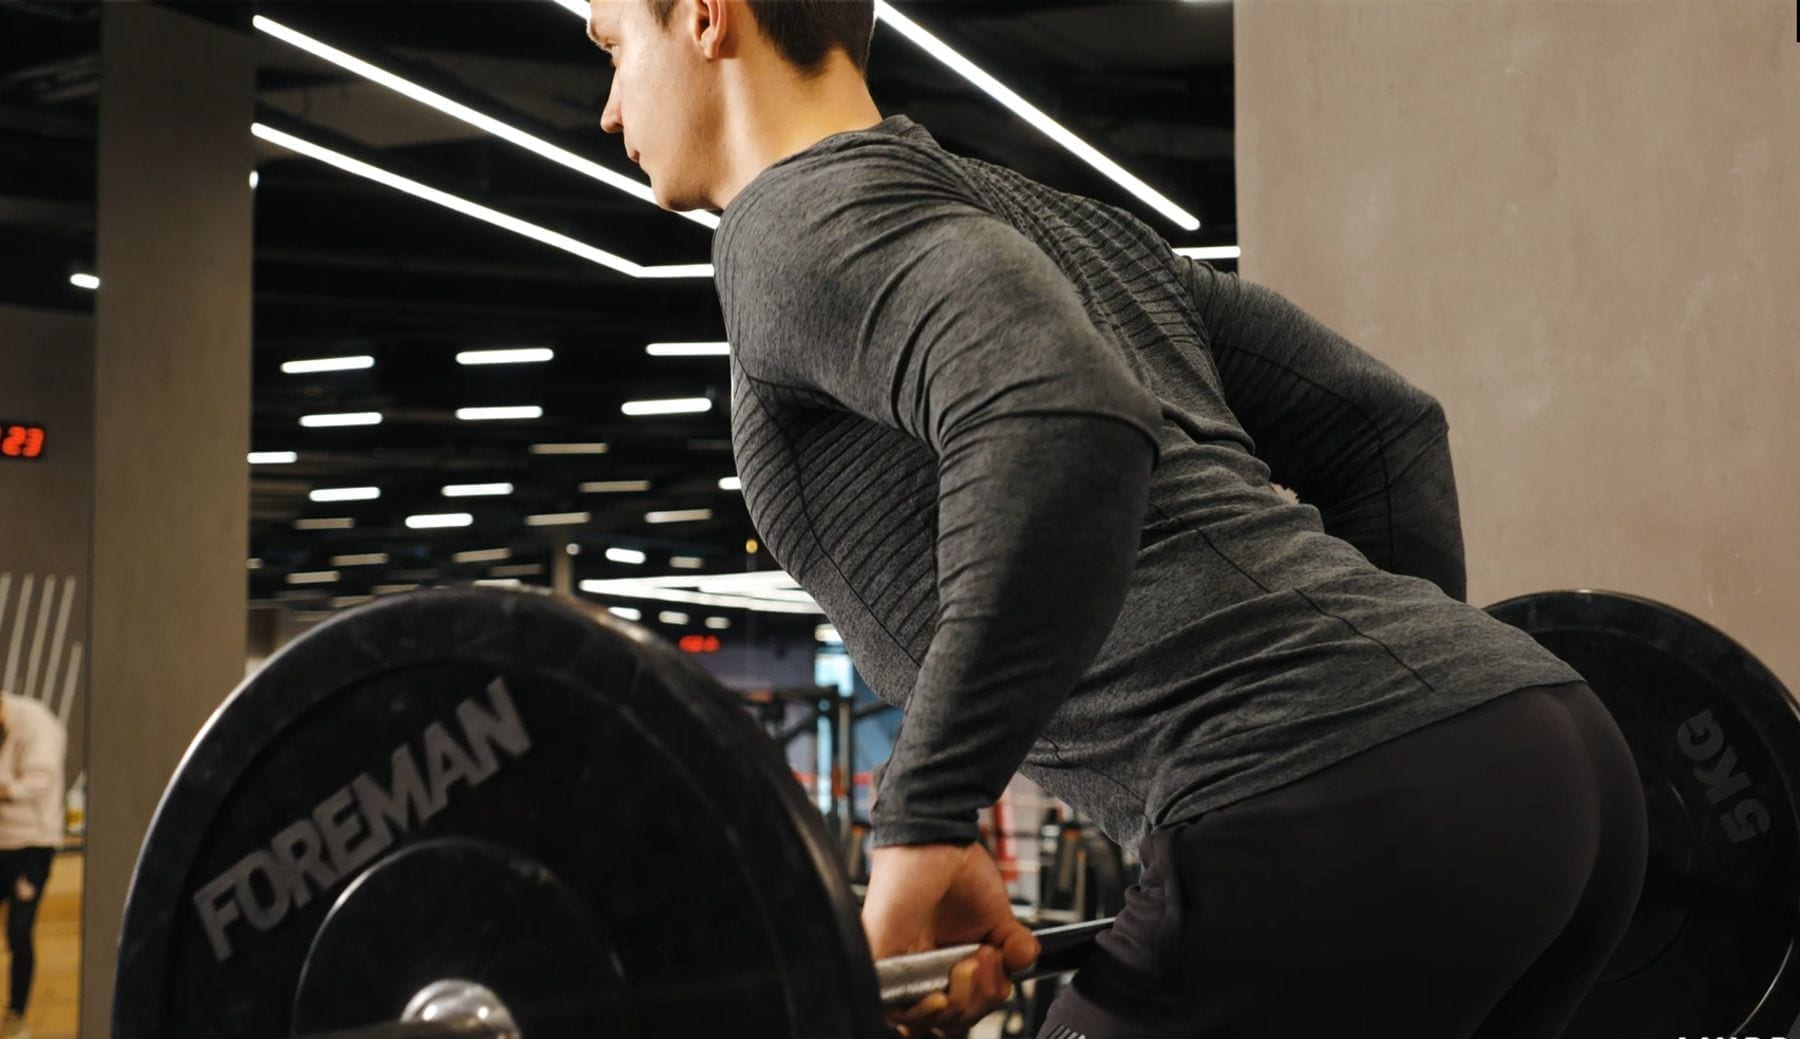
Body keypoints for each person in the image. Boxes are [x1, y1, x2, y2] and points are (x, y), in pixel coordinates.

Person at [581, 3, 1649, 1036]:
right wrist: (1412, 722)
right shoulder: (1059, 221)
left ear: (708, 18)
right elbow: (1383, 429)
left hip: (1313, 808)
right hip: (1561, 767)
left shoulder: (784, 224)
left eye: (614, 47)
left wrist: (924, 818)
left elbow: (1063, 413)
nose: (609, 110)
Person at [0, 691, 65, 1039]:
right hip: (1, 840)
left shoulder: (37, 723)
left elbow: (38, 782)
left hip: (33, 845)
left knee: (19, 931)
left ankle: (16, 1016)